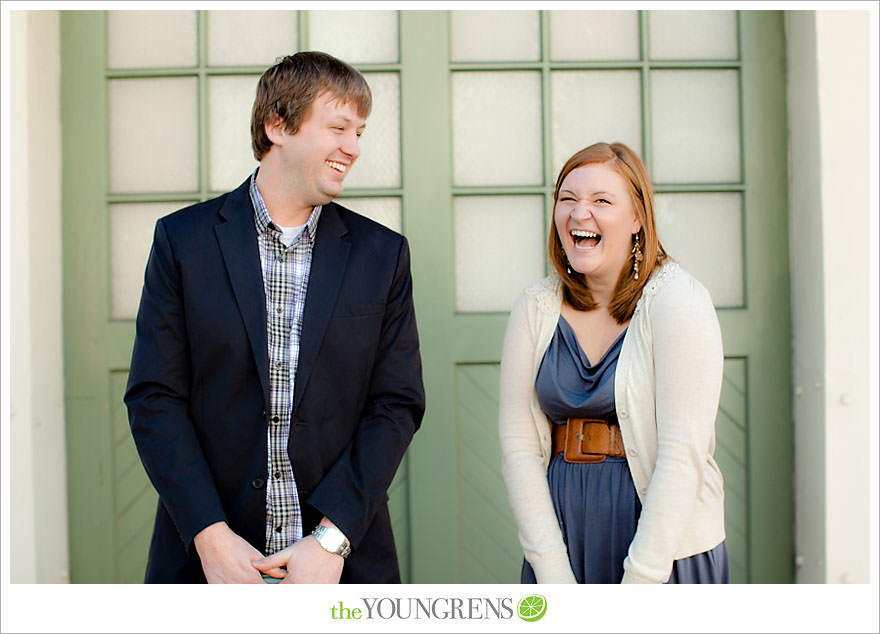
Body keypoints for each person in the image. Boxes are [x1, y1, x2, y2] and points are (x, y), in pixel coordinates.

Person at [125, 51, 425, 584]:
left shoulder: (383, 255)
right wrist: (209, 538)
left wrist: (331, 541)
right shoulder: (183, 242)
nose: (353, 148)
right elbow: (154, 398)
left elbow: (395, 405)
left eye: (359, 131)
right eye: (338, 127)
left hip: (341, 564)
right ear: (277, 125)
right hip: (208, 562)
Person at [498, 142, 728, 584]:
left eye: (601, 200)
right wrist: (551, 570)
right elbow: (518, 445)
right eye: (568, 199)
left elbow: (684, 454)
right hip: (563, 548)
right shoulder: (535, 307)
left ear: (638, 218)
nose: (580, 213)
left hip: (664, 551)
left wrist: (641, 580)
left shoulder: (679, 301)